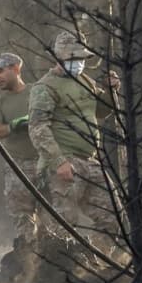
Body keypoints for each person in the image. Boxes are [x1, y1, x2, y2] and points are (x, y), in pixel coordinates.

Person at [27, 31, 118, 251]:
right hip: (64, 163)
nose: (78, 63)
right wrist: (58, 161)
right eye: (72, 59)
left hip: (90, 161)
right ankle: (65, 272)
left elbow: (99, 111)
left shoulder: (84, 80)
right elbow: (38, 128)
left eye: (80, 59)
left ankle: (99, 266)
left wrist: (111, 91)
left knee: (111, 215)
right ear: (58, 58)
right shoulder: (45, 87)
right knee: (65, 224)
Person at [0, 52, 39, 280]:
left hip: (47, 162)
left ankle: (56, 262)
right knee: (22, 218)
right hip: (17, 166)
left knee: (55, 215)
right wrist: (16, 124)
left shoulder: (37, 92)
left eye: (1, 70)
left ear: (16, 69)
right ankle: (30, 268)